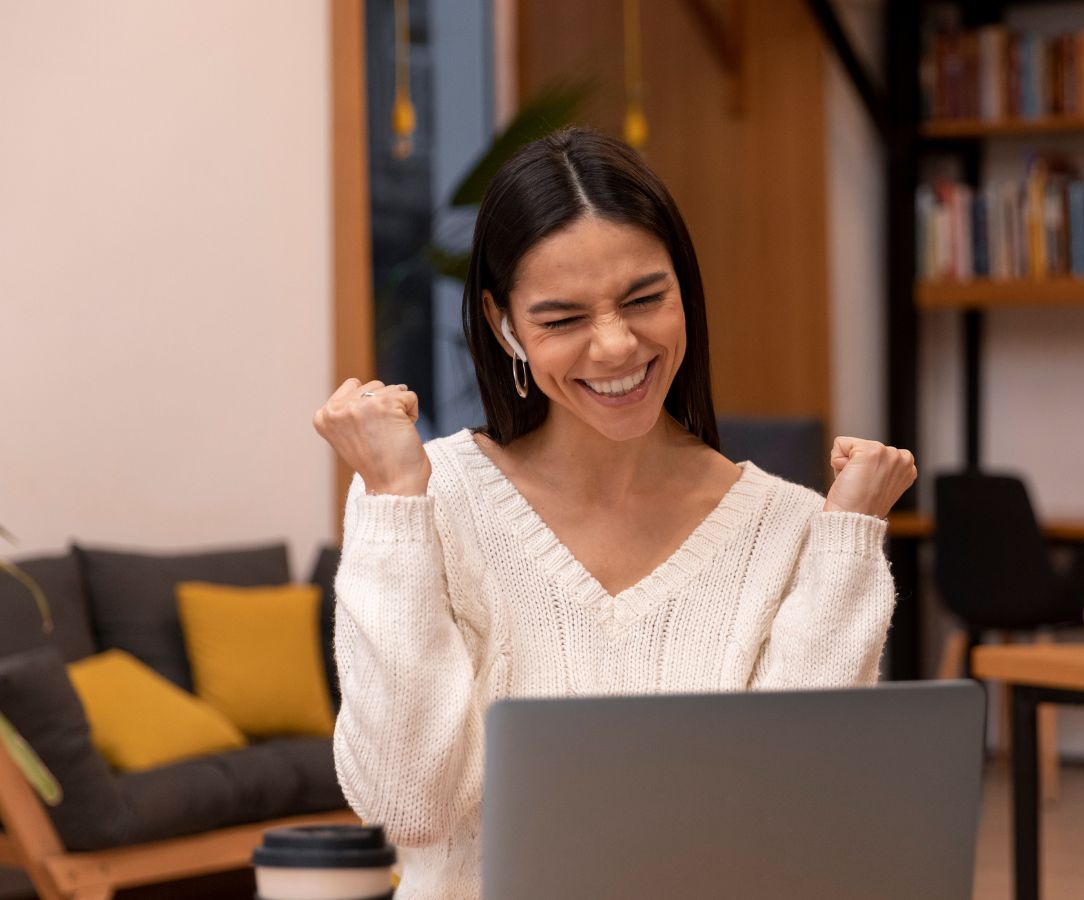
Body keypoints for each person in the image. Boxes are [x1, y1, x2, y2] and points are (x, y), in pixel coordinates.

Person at [312, 127, 916, 899]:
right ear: (505, 328)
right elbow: (409, 806)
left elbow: (797, 813)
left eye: (644, 299)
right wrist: (396, 502)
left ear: (684, 290)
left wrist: (848, 540)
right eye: (562, 319)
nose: (615, 346)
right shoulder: (422, 499)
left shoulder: (797, 530)